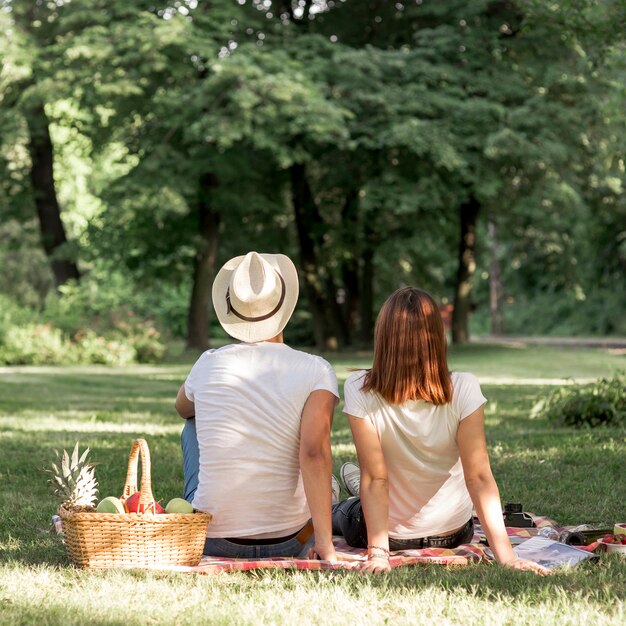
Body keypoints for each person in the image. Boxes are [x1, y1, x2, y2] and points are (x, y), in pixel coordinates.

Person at [332, 287, 550, 575]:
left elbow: (376, 477)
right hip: (454, 533)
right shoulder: (464, 387)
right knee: (368, 487)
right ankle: (357, 493)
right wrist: (507, 557)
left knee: (340, 510)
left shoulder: (360, 387)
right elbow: (479, 477)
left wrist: (379, 555)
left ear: (383, 336)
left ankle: (341, 495)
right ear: (437, 337)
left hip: (390, 534)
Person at [175, 251, 338, 561]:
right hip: (292, 540)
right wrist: (326, 547)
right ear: (283, 307)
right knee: (319, 463)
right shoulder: (316, 369)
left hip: (211, 539)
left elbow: (182, 407)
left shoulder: (209, 363)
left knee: (192, 423)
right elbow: (314, 453)